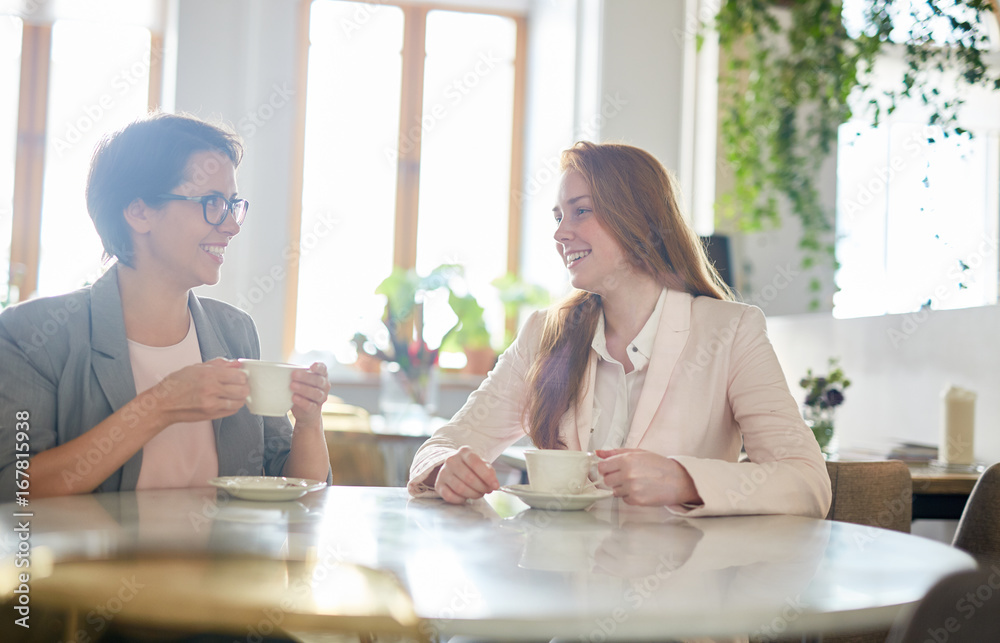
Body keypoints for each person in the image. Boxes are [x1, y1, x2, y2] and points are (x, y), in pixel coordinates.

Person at [408, 141, 831, 517]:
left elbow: (807, 482)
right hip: (560, 589)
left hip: (684, 592)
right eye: (558, 216)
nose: (559, 233)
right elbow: (440, 446)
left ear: (638, 219)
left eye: (581, 211)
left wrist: (684, 480)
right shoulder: (544, 334)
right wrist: (448, 468)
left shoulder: (732, 330)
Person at [0, 113, 331, 501]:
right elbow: (15, 487)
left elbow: (296, 487)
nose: (231, 226)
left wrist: (309, 421)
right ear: (139, 211)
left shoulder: (235, 330)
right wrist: (160, 405)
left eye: (232, 205)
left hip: (225, 562)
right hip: (89, 563)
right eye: (211, 203)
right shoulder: (32, 334)